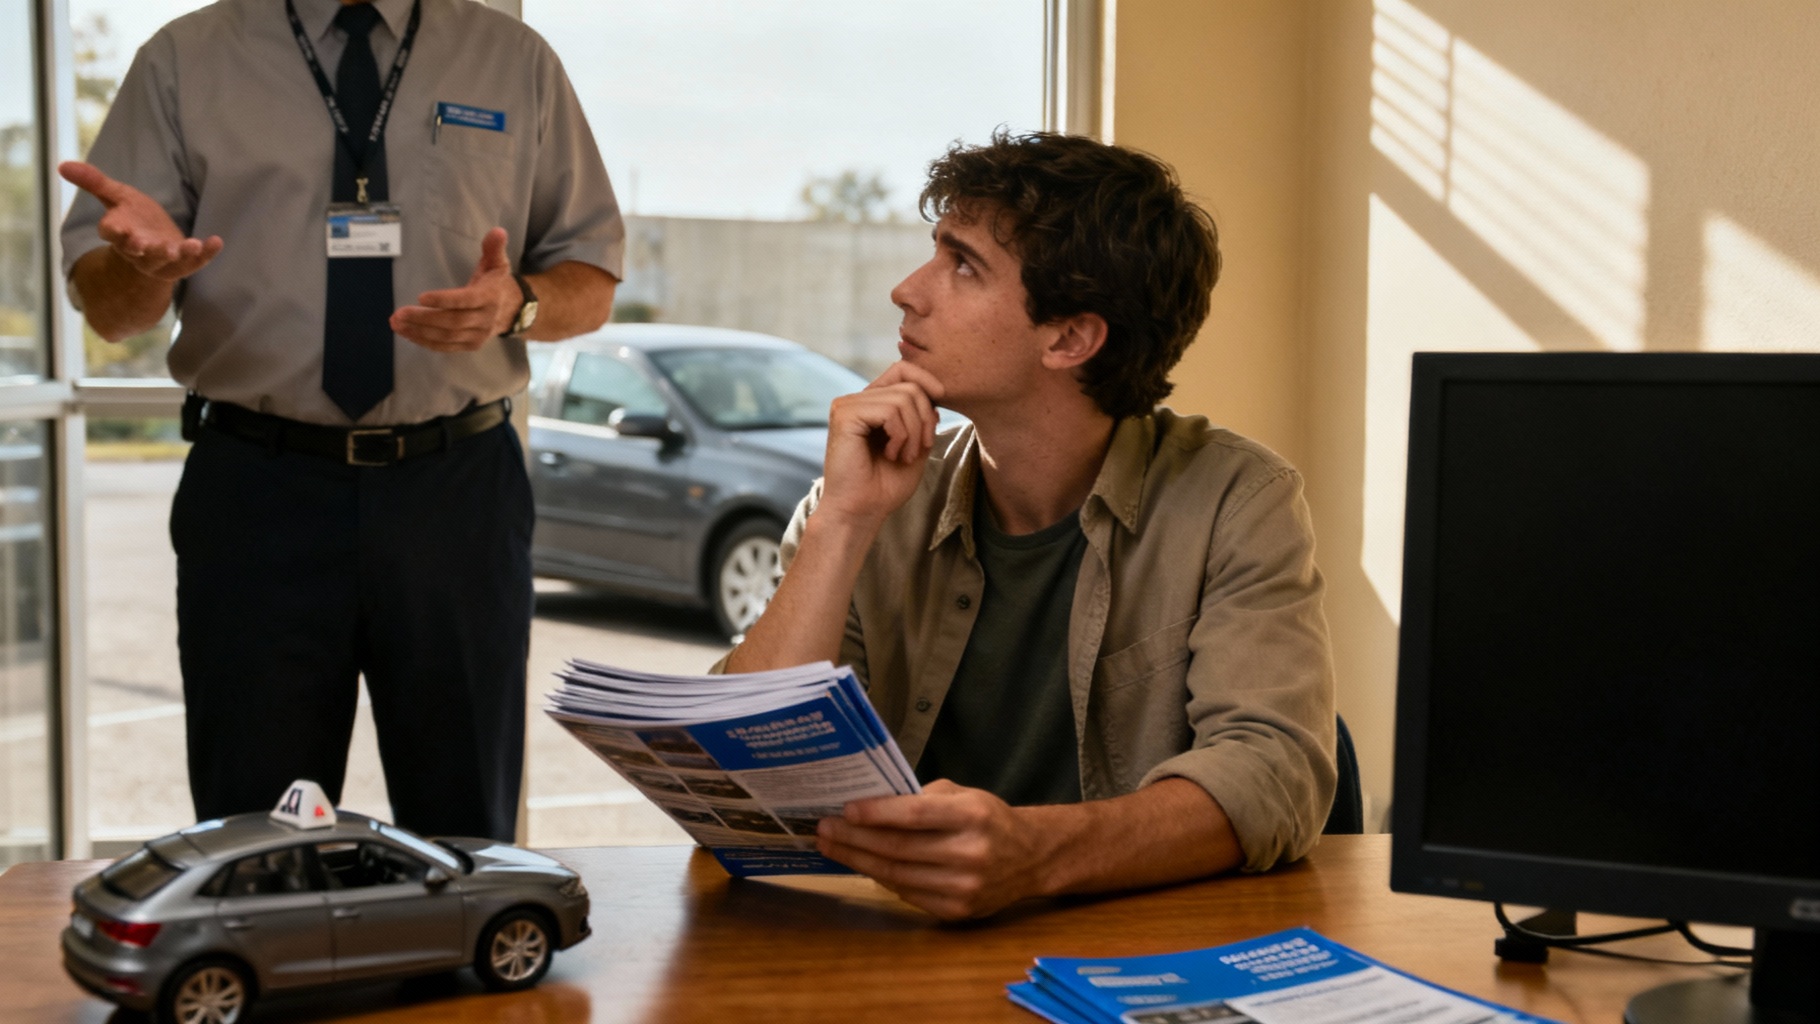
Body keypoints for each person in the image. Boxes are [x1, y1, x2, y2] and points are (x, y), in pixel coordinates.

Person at [721, 132, 1336, 919]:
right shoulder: (867, 495)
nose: (908, 290)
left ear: (1071, 338)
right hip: (896, 939)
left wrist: (1036, 855)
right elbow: (740, 774)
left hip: (1133, 945)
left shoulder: (1237, 501)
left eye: (963, 264)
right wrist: (842, 521)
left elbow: (1275, 771)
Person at [59, 0, 623, 841]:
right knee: (252, 839)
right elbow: (109, 310)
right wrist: (142, 269)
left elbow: (592, 274)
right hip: (257, 489)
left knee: (468, 830)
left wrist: (520, 304)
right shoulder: (186, 59)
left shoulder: (515, 60)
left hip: (456, 493)